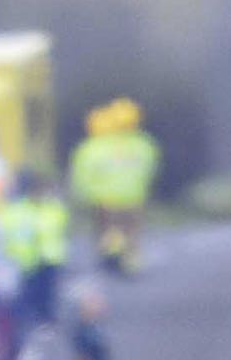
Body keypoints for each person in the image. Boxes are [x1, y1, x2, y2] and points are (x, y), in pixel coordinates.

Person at [69, 99, 162, 274]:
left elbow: (83, 175)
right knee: (132, 231)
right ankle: (130, 261)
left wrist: (84, 195)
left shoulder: (93, 147)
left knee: (109, 230)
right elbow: (151, 168)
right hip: (135, 197)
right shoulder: (144, 144)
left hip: (106, 199)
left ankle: (113, 253)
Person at [0, 169, 70, 338]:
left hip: (49, 259)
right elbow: (8, 234)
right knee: (25, 298)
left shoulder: (52, 208)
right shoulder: (17, 211)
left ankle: (46, 323)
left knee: (47, 296)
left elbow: (58, 228)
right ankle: (26, 326)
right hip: (25, 262)